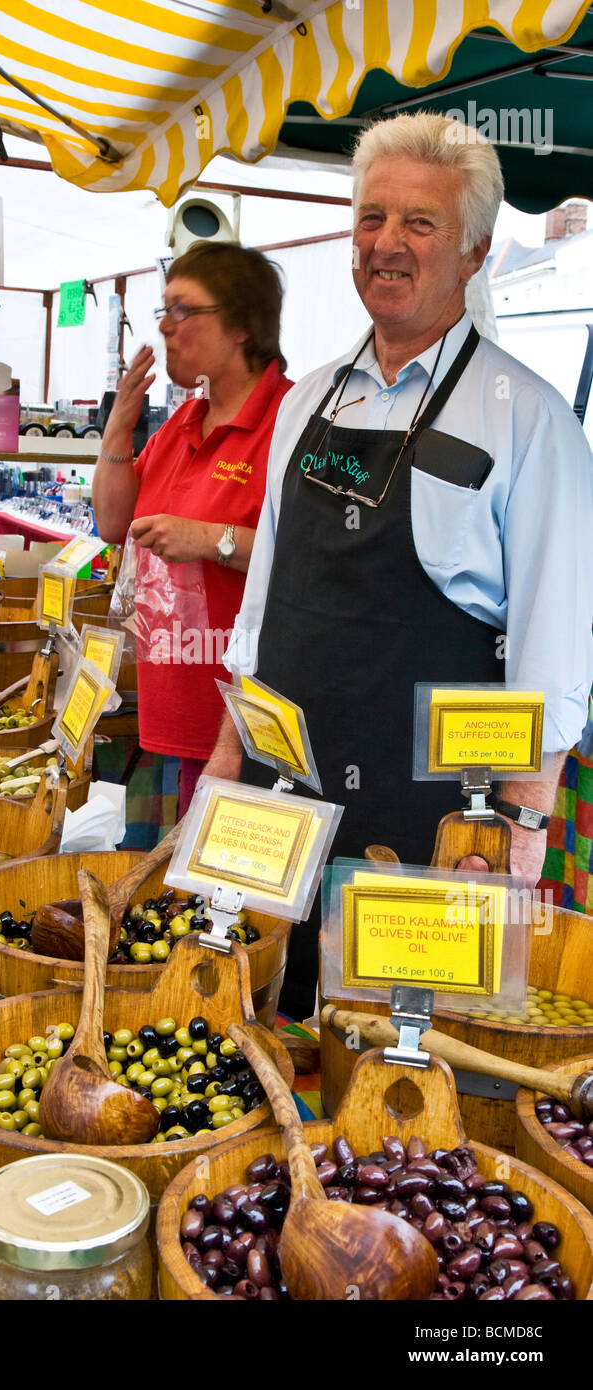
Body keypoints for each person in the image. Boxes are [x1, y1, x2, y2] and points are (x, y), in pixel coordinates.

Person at [203, 112, 593, 1019]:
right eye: (371, 218)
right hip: (281, 785)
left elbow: (552, 642)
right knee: (259, 1018)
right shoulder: (306, 402)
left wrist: (523, 828)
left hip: (430, 810)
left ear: (474, 254)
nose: (386, 244)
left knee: (391, 1066)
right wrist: (226, 758)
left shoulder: (528, 421)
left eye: (419, 224)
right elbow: (265, 591)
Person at [93, 241, 293, 815]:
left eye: (183, 309)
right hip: (177, 704)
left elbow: (319, 560)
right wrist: (118, 427)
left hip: (248, 722)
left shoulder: (292, 419)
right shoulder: (182, 421)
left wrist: (211, 539)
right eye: (164, 308)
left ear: (241, 325)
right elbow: (112, 523)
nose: (164, 326)